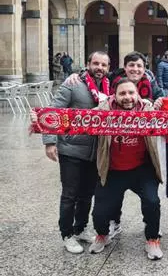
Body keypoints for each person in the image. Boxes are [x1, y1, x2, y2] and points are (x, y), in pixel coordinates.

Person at [86, 78, 168, 260]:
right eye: (122, 93)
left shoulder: (148, 110)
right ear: (114, 95)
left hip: (142, 170)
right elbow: (73, 119)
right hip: (112, 170)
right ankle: (102, 235)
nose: (127, 97)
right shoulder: (102, 111)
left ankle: (152, 239)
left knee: (152, 203)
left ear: (137, 94)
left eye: (131, 93)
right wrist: (39, 121)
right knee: (99, 212)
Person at [40, 51, 111, 254]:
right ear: (88, 64)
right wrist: (49, 142)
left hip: (95, 151)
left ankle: (80, 228)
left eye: (104, 65)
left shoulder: (108, 86)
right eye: (96, 63)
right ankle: (67, 234)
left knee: (87, 194)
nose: (100, 68)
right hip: (72, 149)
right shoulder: (72, 84)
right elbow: (53, 111)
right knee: (70, 195)